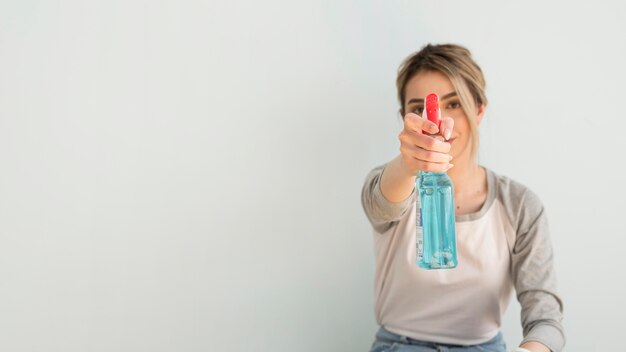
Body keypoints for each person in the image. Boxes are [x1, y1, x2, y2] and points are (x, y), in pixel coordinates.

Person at [361, 44, 565, 352]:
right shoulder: (392, 182)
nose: (437, 123)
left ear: (479, 109)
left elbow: (545, 314)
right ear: (405, 119)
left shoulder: (519, 205)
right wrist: (407, 165)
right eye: (420, 109)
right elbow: (381, 204)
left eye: (454, 104)